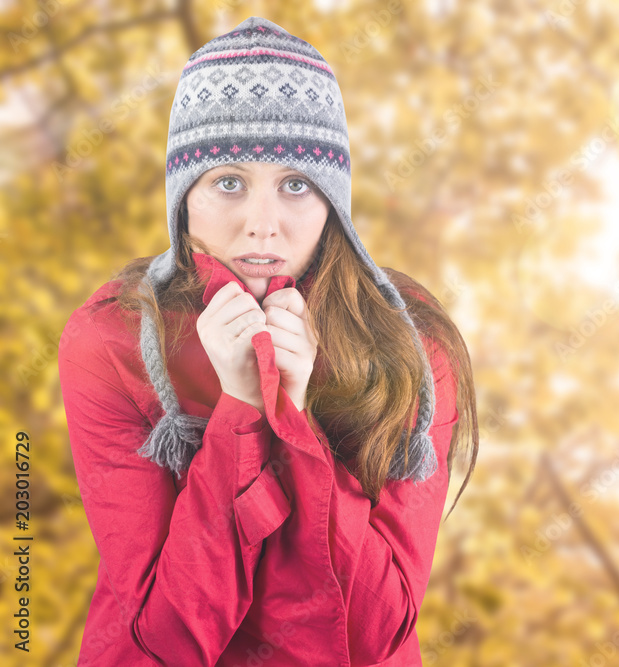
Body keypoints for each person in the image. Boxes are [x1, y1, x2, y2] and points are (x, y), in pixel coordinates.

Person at [57, 15, 477, 666]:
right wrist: (243, 410)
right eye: (229, 181)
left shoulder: (410, 341)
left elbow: (378, 632)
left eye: (296, 184)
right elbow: (167, 637)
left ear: (333, 197)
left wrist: (297, 413)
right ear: (184, 197)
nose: (263, 226)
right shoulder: (112, 340)